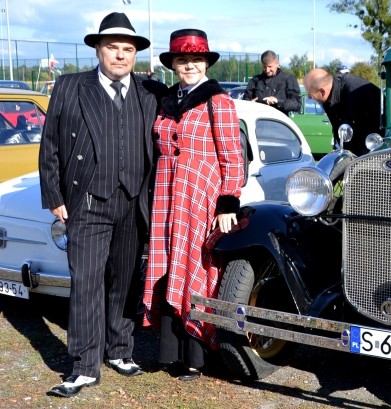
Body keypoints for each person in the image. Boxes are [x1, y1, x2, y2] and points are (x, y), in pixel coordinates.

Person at [39, 12, 158, 397]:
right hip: (87, 202)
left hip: (134, 202)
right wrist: (54, 196)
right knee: (87, 282)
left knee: (124, 281)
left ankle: (120, 350)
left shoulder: (148, 91)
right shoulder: (70, 86)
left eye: (127, 49)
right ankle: (85, 364)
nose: (120, 56)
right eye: (113, 48)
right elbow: (51, 145)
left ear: (135, 54)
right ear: (98, 49)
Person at [142, 28, 245, 382]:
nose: (189, 65)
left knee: (194, 267)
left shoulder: (218, 101)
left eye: (195, 59)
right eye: (182, 60)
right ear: (173, 64)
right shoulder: (168, 100)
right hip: (167, 196)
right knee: (170, 265)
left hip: (199, 196)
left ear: (205, 63)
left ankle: (196, 356)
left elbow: (233, 156)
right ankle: (170, 353)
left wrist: (228, 201)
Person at [303, 68, 382, 156]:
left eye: (310, 94)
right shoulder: (327, 99)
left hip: (374, 146)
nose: (309, 98)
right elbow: (339, 129)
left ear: (322, 91)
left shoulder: (355, 93)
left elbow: (366, 132)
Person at [242, 50, 300, 115]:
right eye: (264, 67)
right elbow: (245, 101)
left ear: (277, 64)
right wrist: (249, 104)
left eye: (270, 67)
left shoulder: (288, 79)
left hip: (279, 122)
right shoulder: (255, 80)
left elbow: (296, 104)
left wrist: (277, 101)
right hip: (259, 121)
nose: (267, 70)